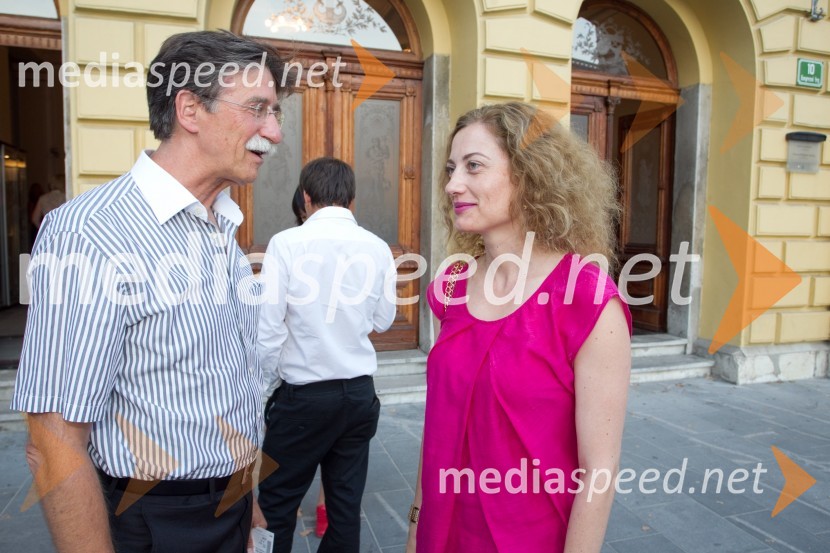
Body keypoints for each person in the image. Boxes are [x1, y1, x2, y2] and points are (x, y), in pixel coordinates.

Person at [12, 30, 288, 553]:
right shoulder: (92, 232)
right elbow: (53, 441)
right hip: (154, 519)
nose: (273, 133)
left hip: (229, 505)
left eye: (275, 113)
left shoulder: (221, 227)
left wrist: (246, 502)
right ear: (189, 108)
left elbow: (228, 389)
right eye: (258, 109)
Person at [406, 102, 632, 553]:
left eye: (474, 166)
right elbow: (439, 429)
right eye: (452, 168)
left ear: (531, 173)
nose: (452, 185)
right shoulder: (450, 287)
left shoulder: (586, 299)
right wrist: (415, 528)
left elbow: (598, 472)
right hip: (441, 533)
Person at [257, 157, 397, 553]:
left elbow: (268, 329)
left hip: (303, 399)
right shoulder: (376, 247)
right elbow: (384, 320)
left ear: (306, 196)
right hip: (357, 396)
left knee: (276, 506)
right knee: (345, 508)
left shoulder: (286, 243)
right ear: (351, 200)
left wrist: (261, 393)